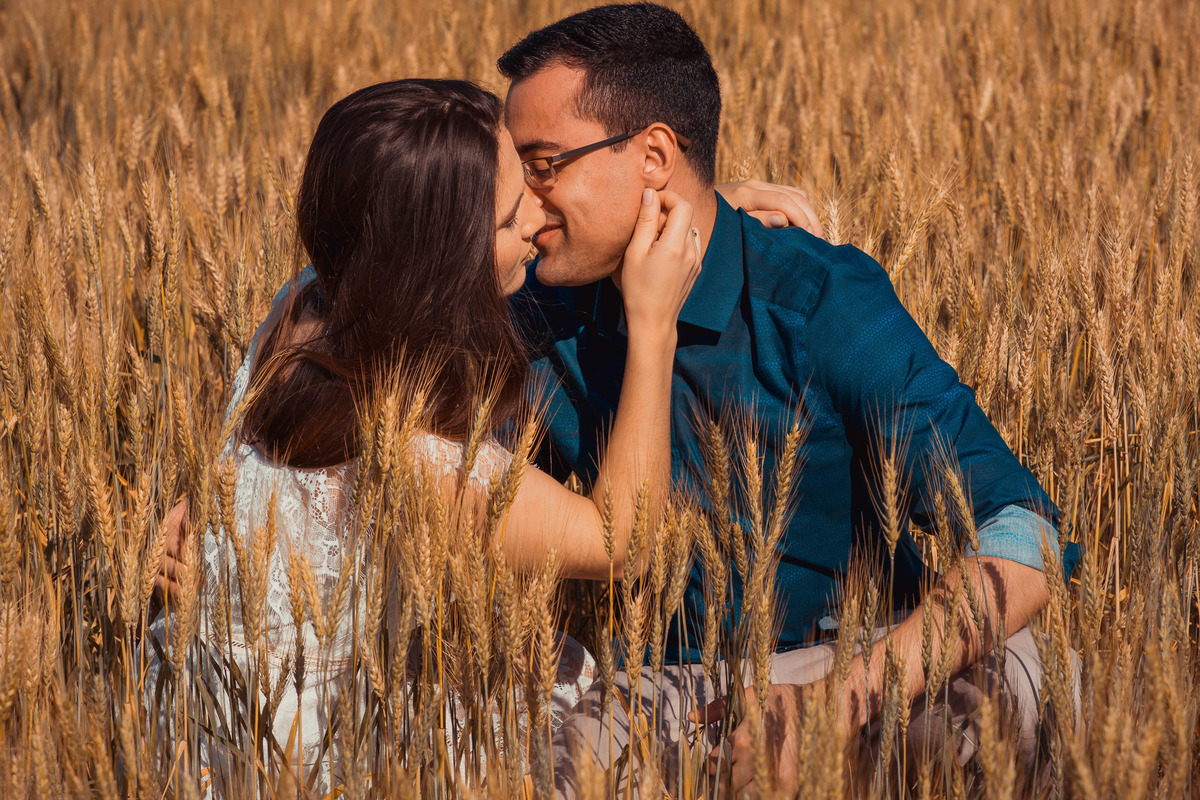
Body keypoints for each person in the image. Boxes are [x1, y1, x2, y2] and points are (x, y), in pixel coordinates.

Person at [148, 77, 810, 794]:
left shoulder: (306, 304)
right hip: (331, 759)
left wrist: (683, 208)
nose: (534, 216)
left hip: (197, 716)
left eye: (528, 175)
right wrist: (653, 324)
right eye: (504, 220)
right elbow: (622, 540)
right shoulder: (409, 455)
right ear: (441, 269)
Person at [496, 3, 1076, 796]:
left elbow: (1024, 533)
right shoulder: (539, 313)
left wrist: (840, 701)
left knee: (1010, 696)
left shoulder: (817, 301)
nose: (522, 208)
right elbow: (347, 291)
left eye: (543, 165)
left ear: (655, 155)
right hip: (667, 689)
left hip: (855, 662)